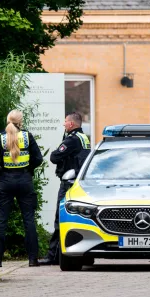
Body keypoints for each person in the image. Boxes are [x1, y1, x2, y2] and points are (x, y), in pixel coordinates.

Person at [0, 109, 43, 267]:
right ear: (21, 121)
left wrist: (1, 168)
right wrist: (28, 169)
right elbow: (38, 159)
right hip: (25, 181)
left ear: (8, 120)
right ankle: (33, 259)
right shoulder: (27, 136)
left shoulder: (0, 138)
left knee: (2, 221)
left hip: (5, 182)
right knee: (29, 220)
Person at [39, 112, 91, 265]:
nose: (63, 124)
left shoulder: (72, 140)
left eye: (65, 122)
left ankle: (53, 256)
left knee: (60, 218)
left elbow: (54, 157)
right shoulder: (84, 137)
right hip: (79, 183)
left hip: (68, 184)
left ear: (71, 124)